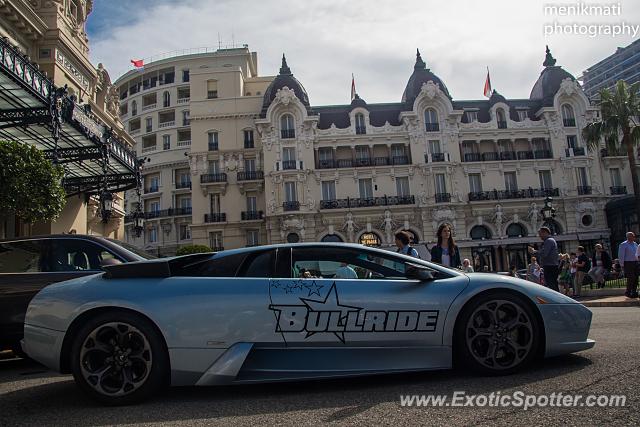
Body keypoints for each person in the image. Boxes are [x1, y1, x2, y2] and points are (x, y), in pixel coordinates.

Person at [528, 226, 559, 292]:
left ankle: (556, 300)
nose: (540, 236)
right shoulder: (549, 241)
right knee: (552, 284)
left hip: (550, 266)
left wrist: (534, 251)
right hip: (551, 265)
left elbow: (545, 253)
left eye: (540, 234)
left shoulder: (549, 241)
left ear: (545, 233)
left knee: (551, 284)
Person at [618, 232, 639, 298]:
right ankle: (628, 292)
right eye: (632, 236)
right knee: (631, 277)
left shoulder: (635, 244)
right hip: (628, 263)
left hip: (635, 262)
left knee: (636, 278)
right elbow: (621, 255)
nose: (633, 237)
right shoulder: (623, 244)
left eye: (633, 235)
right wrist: (622, 265)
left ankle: (634, 291)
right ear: (628, 237)